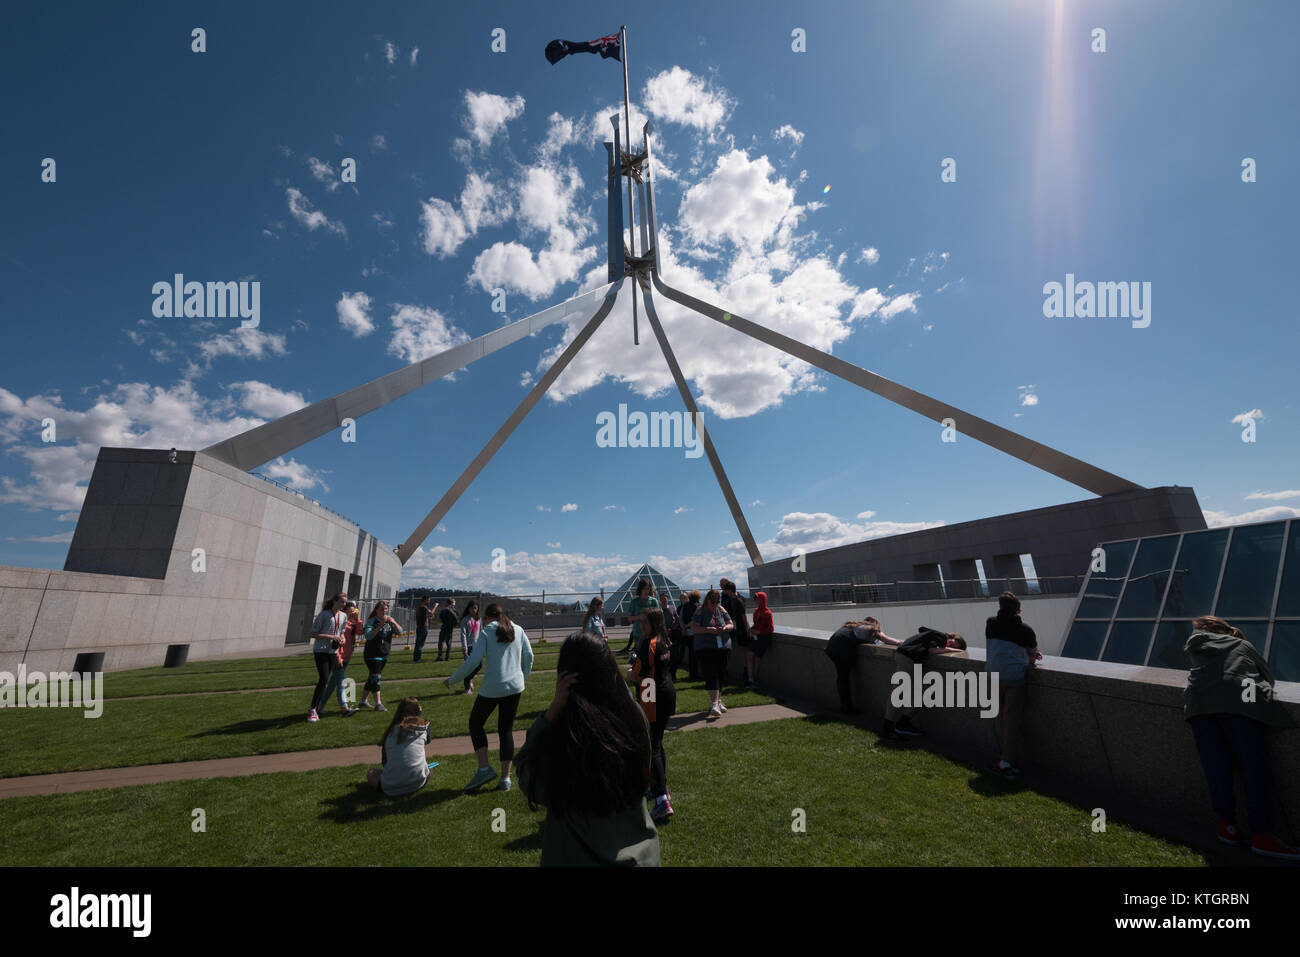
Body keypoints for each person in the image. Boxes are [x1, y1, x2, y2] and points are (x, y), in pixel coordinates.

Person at [515, 631, 660, 866]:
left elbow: (527, 776)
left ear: (564, 677)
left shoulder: (564, 732)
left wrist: (550, 714)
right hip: (640, 856)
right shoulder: (634, 716)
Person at [1184, 615, 1299, 859]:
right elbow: (1267, 676)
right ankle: (1262, 836)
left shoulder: (1195, 646)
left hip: (1199, 707)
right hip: (1240, 705)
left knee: (1217, 769)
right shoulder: (1242, 645)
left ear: (1204, 629)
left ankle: (1228, 827)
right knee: (1254, 769)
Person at [445, 603, 533, 792]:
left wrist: (453, 679)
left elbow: (473, 661)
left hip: (493, 688)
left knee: (475, 724)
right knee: (506, 730)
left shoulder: (486, 632)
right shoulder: (518, 629)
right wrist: (522, 677)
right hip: (514, 687)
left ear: (487, 618)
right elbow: (529, 655)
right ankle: (505, 779)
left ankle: (484, 769)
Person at [985, 591, 1041, 779]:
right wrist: (1031, 655)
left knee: (1002, 718)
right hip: (1013, 678)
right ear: (1018, 610)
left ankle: (1005, 757)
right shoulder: (1025, 630)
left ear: (1000, 607)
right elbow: (1032, 658)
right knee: (1011, 721)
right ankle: (1006, 761)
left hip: (992, 675)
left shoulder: (991, 623)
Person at [630, 609, 676, 822]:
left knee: (651, 746)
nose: (642, 626)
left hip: (651, 693)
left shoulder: (648, 644)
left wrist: (628, 674)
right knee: (657, 742)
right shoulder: (664, 640)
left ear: (654, 624)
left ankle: (661, 800)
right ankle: (661, 787)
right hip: (667, 692)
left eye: (645, 622)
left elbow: (637, 676)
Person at [881, 628, 967, 739]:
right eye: (954, 643)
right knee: (899, 693)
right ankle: (890, 728)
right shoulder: (941, 637)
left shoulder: (931, 634)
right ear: (952, 637)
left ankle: (902, 723)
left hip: (906, 656)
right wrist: (954, 650)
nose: (951, 646)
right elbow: (932, 650)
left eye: (955, 647)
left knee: (924, 692)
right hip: (909, 658)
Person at [364, 697, 438, 797]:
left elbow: (385, 762)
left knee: (371, 773)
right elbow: (429, 739)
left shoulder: (390, 732)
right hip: (418, 782)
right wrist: (420, 715)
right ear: (418, 710)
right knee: (426, 768)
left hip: (391, 787)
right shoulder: (422, 729)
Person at [824, 618, 898, 715]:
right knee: (843, 679)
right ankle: (847, 708)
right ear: (875, 625)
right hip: (841, 648)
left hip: (832, 646)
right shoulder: (871, 629)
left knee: (842, 678)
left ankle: (845, 706)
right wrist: (901, 643)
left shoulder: (854, 626)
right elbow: (887, 640)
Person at [689, 589, 735, 717]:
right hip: (705, 648)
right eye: (713, 601)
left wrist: (725, 628)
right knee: (711, 674)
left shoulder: (721, 610)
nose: (715, 604)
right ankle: (714, 703)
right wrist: (708, 630)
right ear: (707, 600)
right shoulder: (700, 610)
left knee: (720, 674)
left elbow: (731, 624)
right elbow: (694, 627)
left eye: (717, 601)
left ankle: (718, 701)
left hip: (723, 646)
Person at [307, 592, 348, 723]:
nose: (344, 604)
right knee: (324, 679)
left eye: (345, 602)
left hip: (333, 651)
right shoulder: (324, 614)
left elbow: (342, 633)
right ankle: (313, 709)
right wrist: (331, 637)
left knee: (326, 679)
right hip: (321, 651)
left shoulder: (343, 616)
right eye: (342, 601)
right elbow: (313, 634)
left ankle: (316, 708)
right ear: (335, 601)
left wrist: (342, 639)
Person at [318, 601, 362, 717]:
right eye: (349, 611)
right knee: (341, 683)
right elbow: (335, 642)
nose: (351, 613)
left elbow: (360, 631)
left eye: (353, 611)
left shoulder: (352, 623)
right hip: (338, 657)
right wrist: (338, 657)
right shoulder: (340, 623)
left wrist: (357, 620)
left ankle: (319, 707)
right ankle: (345, 708)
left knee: (332, 684)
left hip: (347, 657)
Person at [358, 600, 401, 712]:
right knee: (376, 677)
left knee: (372, 677)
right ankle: (378, 704)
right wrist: (379, 626)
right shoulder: (372, 621)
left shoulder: (389, 621)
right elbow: (368, 636)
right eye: (381, 609)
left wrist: (394, 622)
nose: (384, 611)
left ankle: (363, 701)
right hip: (372, 654)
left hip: (384, 653)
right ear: (376, 610)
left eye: (386, 609)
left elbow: (400, 632)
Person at [720, 580, 751, 688]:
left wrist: (748, 630)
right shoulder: (736, 599)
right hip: (739, 629)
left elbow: (744, 616)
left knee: (744, 652)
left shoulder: (737, 600)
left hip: (741, 630)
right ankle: (746, 674)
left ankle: (747, 674)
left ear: (729, 590)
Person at [623, 579, 659, 658]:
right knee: (640, 656)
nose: (646, 591)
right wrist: (639, 617)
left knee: (652, 655)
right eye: (644, 589)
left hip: (651, 633)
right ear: (640, 589)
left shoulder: (654, 601)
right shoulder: (635, 601)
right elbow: (629, 618)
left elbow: (659, 616)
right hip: (638, 633)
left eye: (648, 588)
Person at [749, 590, 775, 687]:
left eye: (758, 599)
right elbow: (755, 624)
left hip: (763, 638)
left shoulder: (767, 613)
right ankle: (750, 679)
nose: (756, 601)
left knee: (757, 658)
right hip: (756, 638)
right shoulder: (756, 612)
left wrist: (759, 632)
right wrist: (751, 629)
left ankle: (755, 679)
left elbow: (770, 628)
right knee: (750, 655)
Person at [675, 590, 701, 681]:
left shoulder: (684, 606)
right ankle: (696, 673)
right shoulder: (697, 606)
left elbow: (680, 619)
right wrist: (689, 625)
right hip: (696, 632)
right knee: (696, 655)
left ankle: (691, 673)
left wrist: (684, 628)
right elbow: (697, 619)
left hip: (687, 633)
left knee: (690, 654)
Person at [458, 601, 481, 694]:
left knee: (479, 665)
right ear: (468, 608)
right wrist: (464, 648)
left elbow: (481, 632)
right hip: (469, 647)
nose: (474, 610)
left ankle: (469, 679)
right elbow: (463, 635)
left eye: (476, 608)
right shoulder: (465, 620)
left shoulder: (479, 620)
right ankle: (467, 687)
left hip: (477, 646)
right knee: (469, 667)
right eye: (472, 608)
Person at [436, 597, 458, 661]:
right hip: (450, 628)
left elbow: (440, 617)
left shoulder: (445, 610)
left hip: (444, 627)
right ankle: (447, 657)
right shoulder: (454, 610)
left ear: (447, 602)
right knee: (449, 643)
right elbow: (456, 618)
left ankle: (440, 656)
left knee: (441, 642)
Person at [413, 597, 432, 663]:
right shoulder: (423, 607)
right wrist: (436, 606)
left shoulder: (421, 607)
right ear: (425, 600)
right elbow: (431, 614)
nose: (429, 601)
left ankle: (416, 658)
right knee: (420, 644)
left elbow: (430, 616)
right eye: (428, 600)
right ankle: (417, 659)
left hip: (420, 627)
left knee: (419, 643)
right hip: (422, 627)